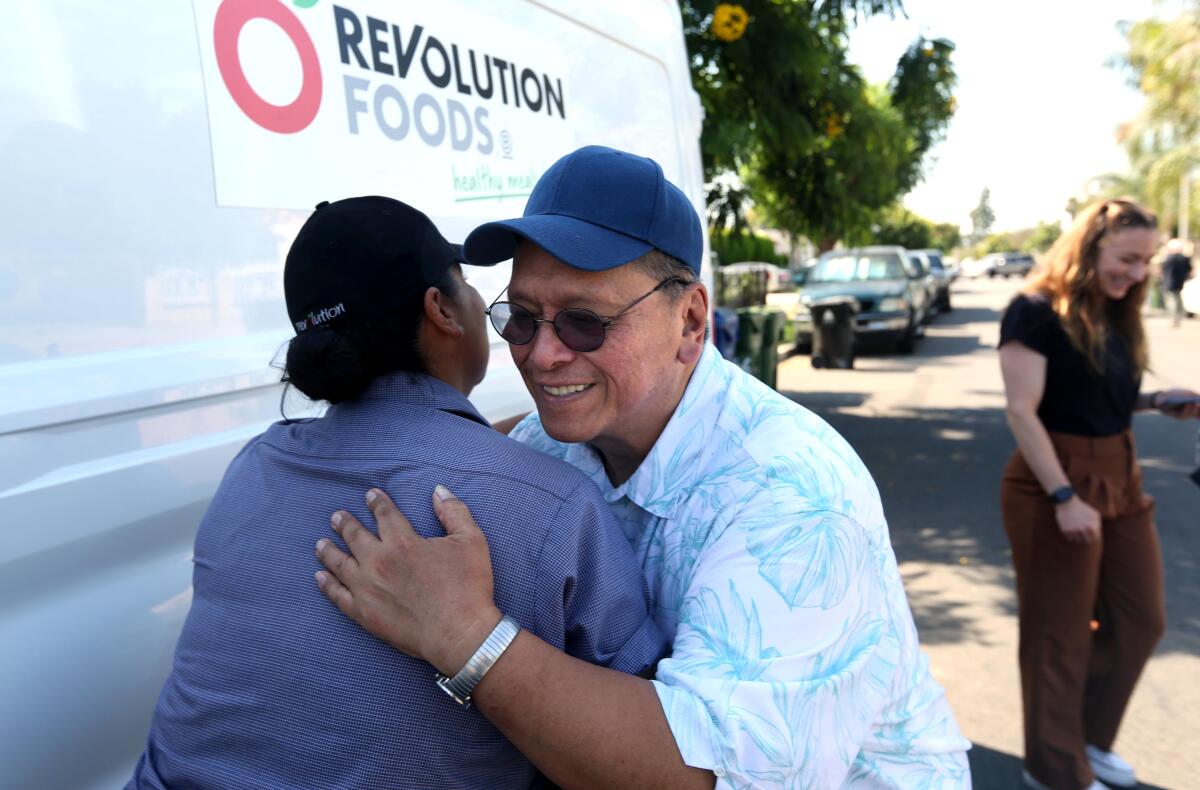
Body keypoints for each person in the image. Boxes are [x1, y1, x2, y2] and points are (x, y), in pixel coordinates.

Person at [313, 146, 971, 788]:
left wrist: (462, 635)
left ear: (690, 323)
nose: (542, 357)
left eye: (584, 322)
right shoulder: (550, 443)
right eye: (520, 318)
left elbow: (704, 771)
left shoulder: (795, 497)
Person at [128, 197, 667, 789]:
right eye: (472, 289)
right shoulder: (555, 509)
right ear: (441, 309)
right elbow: (646, 755)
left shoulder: (253, 469)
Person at [997, 199, 1200, 790]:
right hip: (1051, 480)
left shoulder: (1115, 313)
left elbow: (1089, 396)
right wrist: (1063, 496)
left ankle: (1082, 739)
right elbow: (1022, 411)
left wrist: (1156, 402)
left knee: (1142, 619)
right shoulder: (1033, 312)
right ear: (1088, 248)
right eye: (1127, 259)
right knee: (1057, 634)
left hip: (1121, 471)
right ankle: (1056, 770)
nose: (1137, 274)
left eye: (1146, 262)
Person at [1161, 238, 1193, 327]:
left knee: (1172, 301)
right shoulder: (1184, 258)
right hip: (1179, 283)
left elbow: (1165, 270)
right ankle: (1178, 317)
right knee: (1177, 300)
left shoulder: (1170, 258)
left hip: (1169, 283)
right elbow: (1189, 270)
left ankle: (1174, 319)